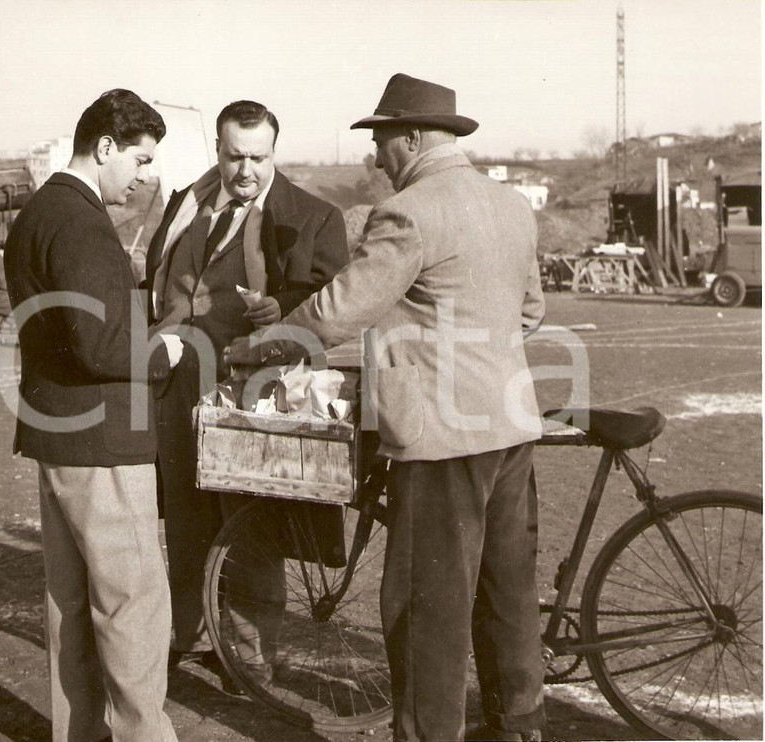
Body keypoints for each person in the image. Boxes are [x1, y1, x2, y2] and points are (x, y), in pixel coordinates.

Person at [224, 74, 546, 742]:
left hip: (441, 442)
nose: (375, 158)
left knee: (427, 609)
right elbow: (532, 313)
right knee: (506, 595)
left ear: (409, 137)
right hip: (511, 432)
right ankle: (519, 728)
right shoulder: (511, 205)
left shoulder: (409, 212)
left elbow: (341, 308)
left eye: (381, 142)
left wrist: (263, 345)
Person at [146, 99, 349, 671]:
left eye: (259, 157)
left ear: (274, 153)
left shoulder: (312, 216)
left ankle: (250, 656)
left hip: (255, 388)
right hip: (178, 384)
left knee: (250, 521)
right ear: (218, 149)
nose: (246, 170)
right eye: (236, 156)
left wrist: (280, 306)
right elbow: (160, 283)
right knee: (185, 516)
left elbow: (335, 297)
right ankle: (189, 637)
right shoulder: (187, 203)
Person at [4, 88, 181, 742]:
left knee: (69, 607)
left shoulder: (38, 213)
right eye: (139, 160)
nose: (143, 176)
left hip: (56, 434)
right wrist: (168, 349)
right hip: (104, 442)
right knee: (131, 605)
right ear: (104, 147)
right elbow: (102, 343)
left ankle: (79, 734)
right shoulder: (81, 222)